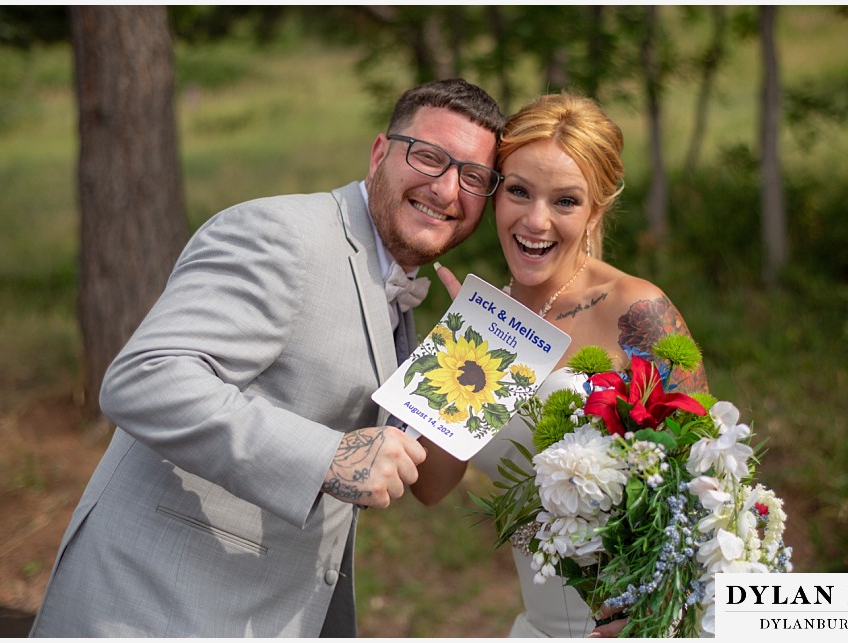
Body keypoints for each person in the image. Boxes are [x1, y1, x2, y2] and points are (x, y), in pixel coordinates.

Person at [29, 78, 505, 638]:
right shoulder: (283, 236)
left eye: (472, 177)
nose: (448, 189)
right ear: (380, 153)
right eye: (428, 157)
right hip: (151, 611)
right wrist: (329, 456)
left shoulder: (397, 285)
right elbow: (143, 378)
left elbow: (428, 485)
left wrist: (489, 346)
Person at [411, 92, 709, 638]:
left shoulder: (637, 310)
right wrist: (459, 354)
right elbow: (430, 487)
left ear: (597, 207)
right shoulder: (486, 319)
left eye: (566, 201)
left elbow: (705, 483)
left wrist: (657, 608)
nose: (536, 221)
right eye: (519, 192)